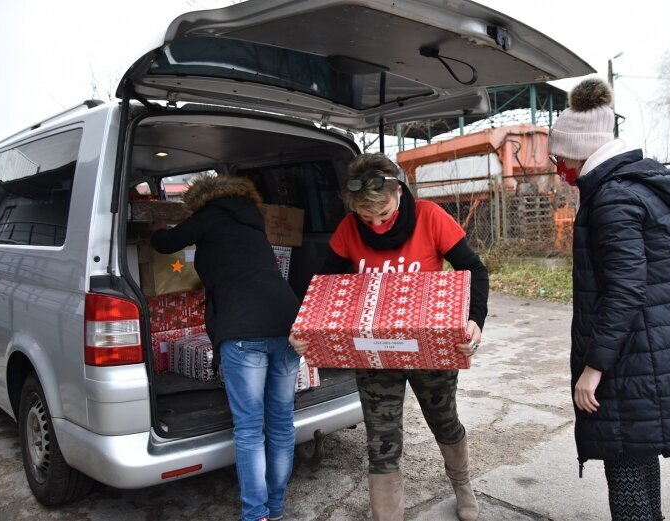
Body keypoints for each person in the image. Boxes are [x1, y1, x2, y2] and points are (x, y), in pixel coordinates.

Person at [548, 77, 670, 521]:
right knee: (637, 458)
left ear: (581, 149)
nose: (557, 164)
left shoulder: (613, 198)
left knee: (626, 473)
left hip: (634, 358)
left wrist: (593, 368)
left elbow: (625, 290)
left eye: (559, 154)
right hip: (655, 349)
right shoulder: (640, 184)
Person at [290, 153, 489, 521]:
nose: (377, 225)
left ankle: (462, 484)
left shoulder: (429, 217)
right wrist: (304, 331)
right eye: (367, 218)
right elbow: (325, 289)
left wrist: (474, 320)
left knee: (444, 421)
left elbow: (473, 268)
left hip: (428, 348)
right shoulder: (349, 229)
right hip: (374, 353)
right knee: (381, 442)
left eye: (384, 214)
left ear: (399, 191)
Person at [151, 175, 300, 521]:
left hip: (243, 328)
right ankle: (274, 509)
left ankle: (255, 515)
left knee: (249, 428)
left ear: (201, 199)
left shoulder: (208, 216)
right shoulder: (253, 219)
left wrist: (157, 225)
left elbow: (165, 243)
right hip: (286, 321)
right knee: (281, 424)